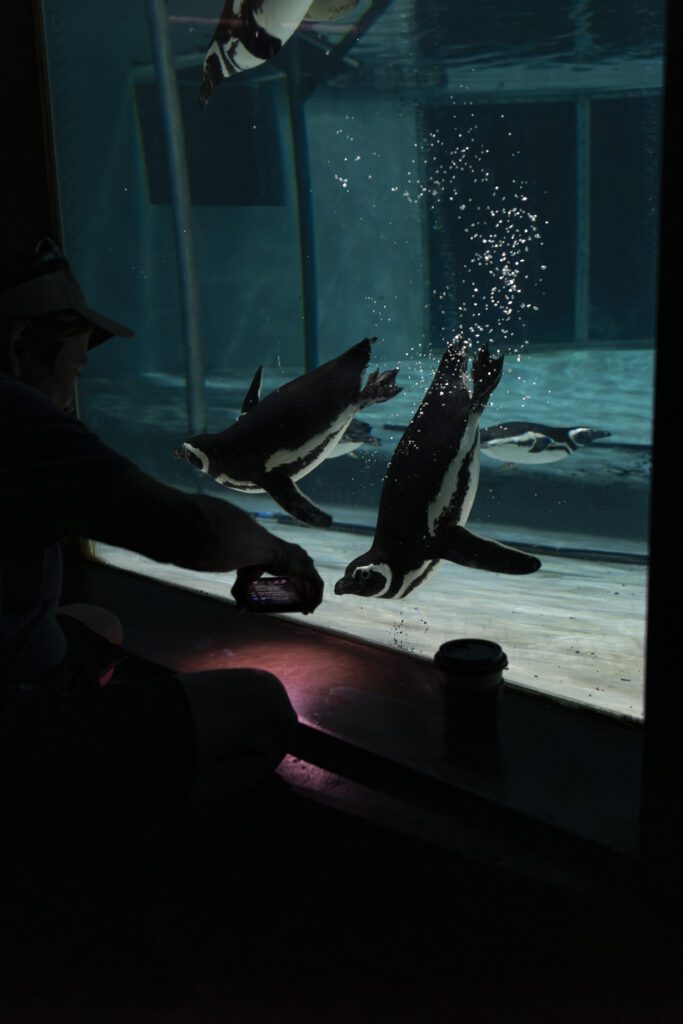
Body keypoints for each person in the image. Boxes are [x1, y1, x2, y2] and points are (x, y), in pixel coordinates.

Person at [0, 237, 324, 974]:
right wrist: (278, 556)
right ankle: (102, 888)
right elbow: (192, 532)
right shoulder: (13, 415)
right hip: (16, 739)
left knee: (98, 625)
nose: (72, 390)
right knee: (261, 703)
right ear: (23, 342)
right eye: (73, 364)